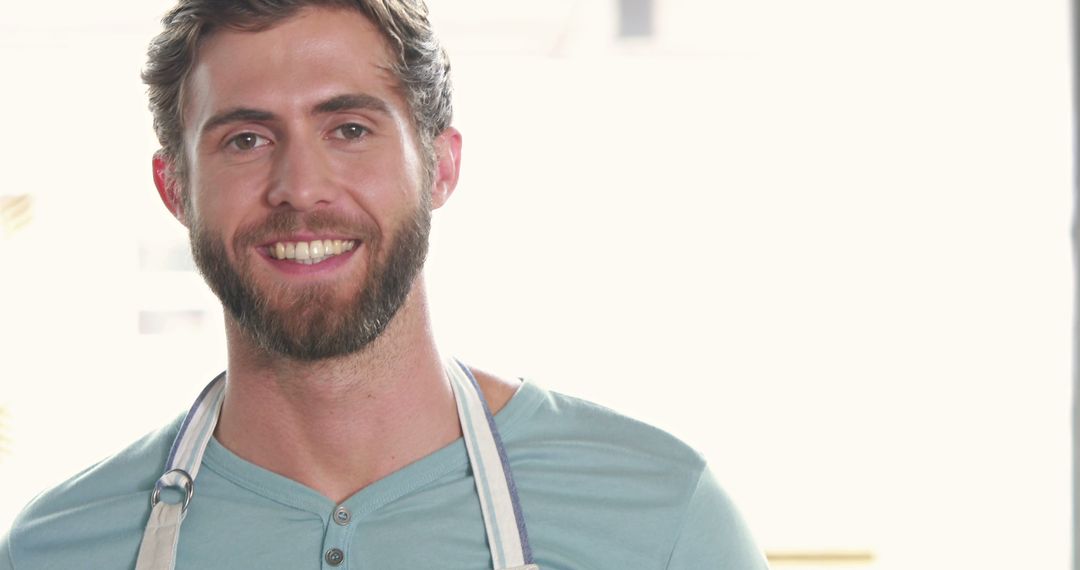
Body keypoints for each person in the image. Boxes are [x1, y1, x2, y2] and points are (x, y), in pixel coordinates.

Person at [0, 1, 768, 568]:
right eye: (246, 138)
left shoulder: (662, 522)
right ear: (175, 190)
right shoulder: (56, 549)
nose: (301, 187)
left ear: (442, 166)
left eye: (350, 129)